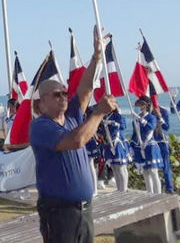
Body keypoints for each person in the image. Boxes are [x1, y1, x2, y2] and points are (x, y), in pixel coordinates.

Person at [30, 27, 117, 243]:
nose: (63, 97)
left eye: (65, 93)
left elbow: (86, 88)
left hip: (83, 209)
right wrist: (98, 113)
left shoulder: (71, 116)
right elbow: (76, 140)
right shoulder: (41, 127)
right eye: (56, 94)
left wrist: (97, 56)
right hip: (59, 213)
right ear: (42, 103)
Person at [130, 96, 162, 194]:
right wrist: (132, 146)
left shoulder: (151, 117)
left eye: (140, 104)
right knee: (145, 173)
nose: (138, 106)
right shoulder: (135, 119)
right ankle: (150, 194)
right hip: (140, 147)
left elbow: (150, 127)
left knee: (153, 172)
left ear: (145, 106)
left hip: (150, 146)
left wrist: (140, 119)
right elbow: (135, 134)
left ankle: (158, 195)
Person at [102, 108, 129, 192]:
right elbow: (102, 132)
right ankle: (119, 189)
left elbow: (123, 126)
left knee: (121, 168)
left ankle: (124, 190)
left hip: (117, 144)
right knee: (114, 168)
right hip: (108, 144)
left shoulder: (117, 116)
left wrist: (113, 123)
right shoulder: (104, 117)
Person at [155, 103, 174, 193]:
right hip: (152, 142)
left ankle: (169, 188)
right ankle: (157, 188)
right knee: (154, 168)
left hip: (162, 141)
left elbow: (167, 127)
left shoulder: (163, 111)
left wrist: (160, 119)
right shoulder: (148, 112)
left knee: (166, 166)